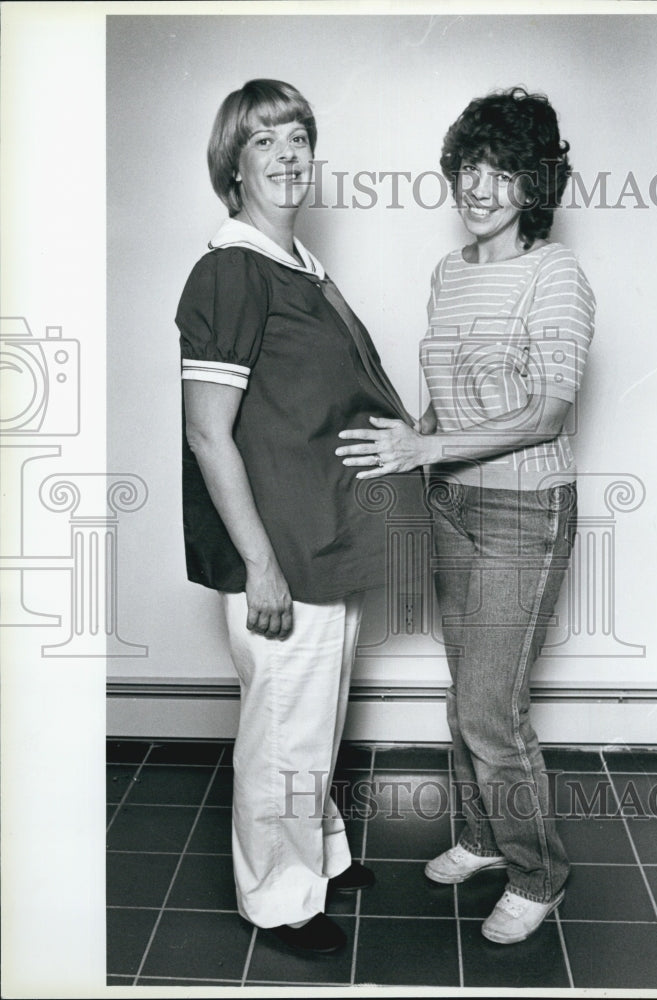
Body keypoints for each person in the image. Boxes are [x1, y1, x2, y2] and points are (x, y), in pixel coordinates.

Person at [336, 87, 595, 945]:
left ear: (535, 184)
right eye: (470, 168)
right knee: (466, 699)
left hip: (527, 511)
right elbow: (444, 401)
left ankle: (539, 873)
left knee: (491, 707)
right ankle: (484, 840)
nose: (479, 188)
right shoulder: (449, 273)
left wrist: (426, 452)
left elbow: (547, 414)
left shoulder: (557, 273)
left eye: (504, 171)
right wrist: (414, 443)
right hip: (454, 504)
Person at [176, 79, 416, 954]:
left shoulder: (298, 265)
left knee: (314, 718)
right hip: (283, 552)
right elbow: (209, 435)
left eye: (298, 137)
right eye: (265, 140)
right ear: (232, 165)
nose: (288, 154)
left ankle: (318, 851)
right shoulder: (229, 270)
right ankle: (279, 897)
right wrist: (262, 566)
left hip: (328, 540)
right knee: (285, 731)